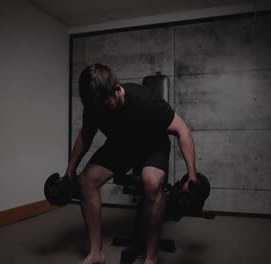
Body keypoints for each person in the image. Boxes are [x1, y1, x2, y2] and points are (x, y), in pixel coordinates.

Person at [64, 63, 197, 264]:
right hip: (122, 144)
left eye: (106, 106)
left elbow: (182, 130)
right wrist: (69, 173)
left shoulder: (145, 99)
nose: (103, 112)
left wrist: (192, 178)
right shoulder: (95, 106)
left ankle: (151, 257)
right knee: (86, 181)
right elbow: (85, 136)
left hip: (153, 144)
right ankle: (96, 253)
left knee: (151, 182)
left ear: (117, 90)